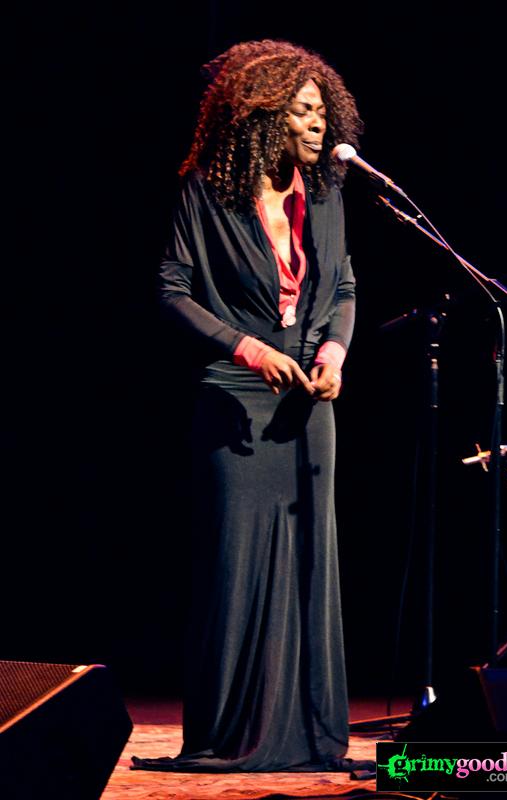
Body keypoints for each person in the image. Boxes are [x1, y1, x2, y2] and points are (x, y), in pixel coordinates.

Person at [132, 39, 369, 773]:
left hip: (310, 403)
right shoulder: (208, 191)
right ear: (264, 116)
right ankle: (231, 734)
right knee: (236, 566)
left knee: (311, 563)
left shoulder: (324, 194)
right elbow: (172, 291)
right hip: (235, 397)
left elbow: (344, 287)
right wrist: (248, 349)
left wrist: (333, 354)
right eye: (302, 111)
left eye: (322, 111)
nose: (318, 125)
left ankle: (310, 735)